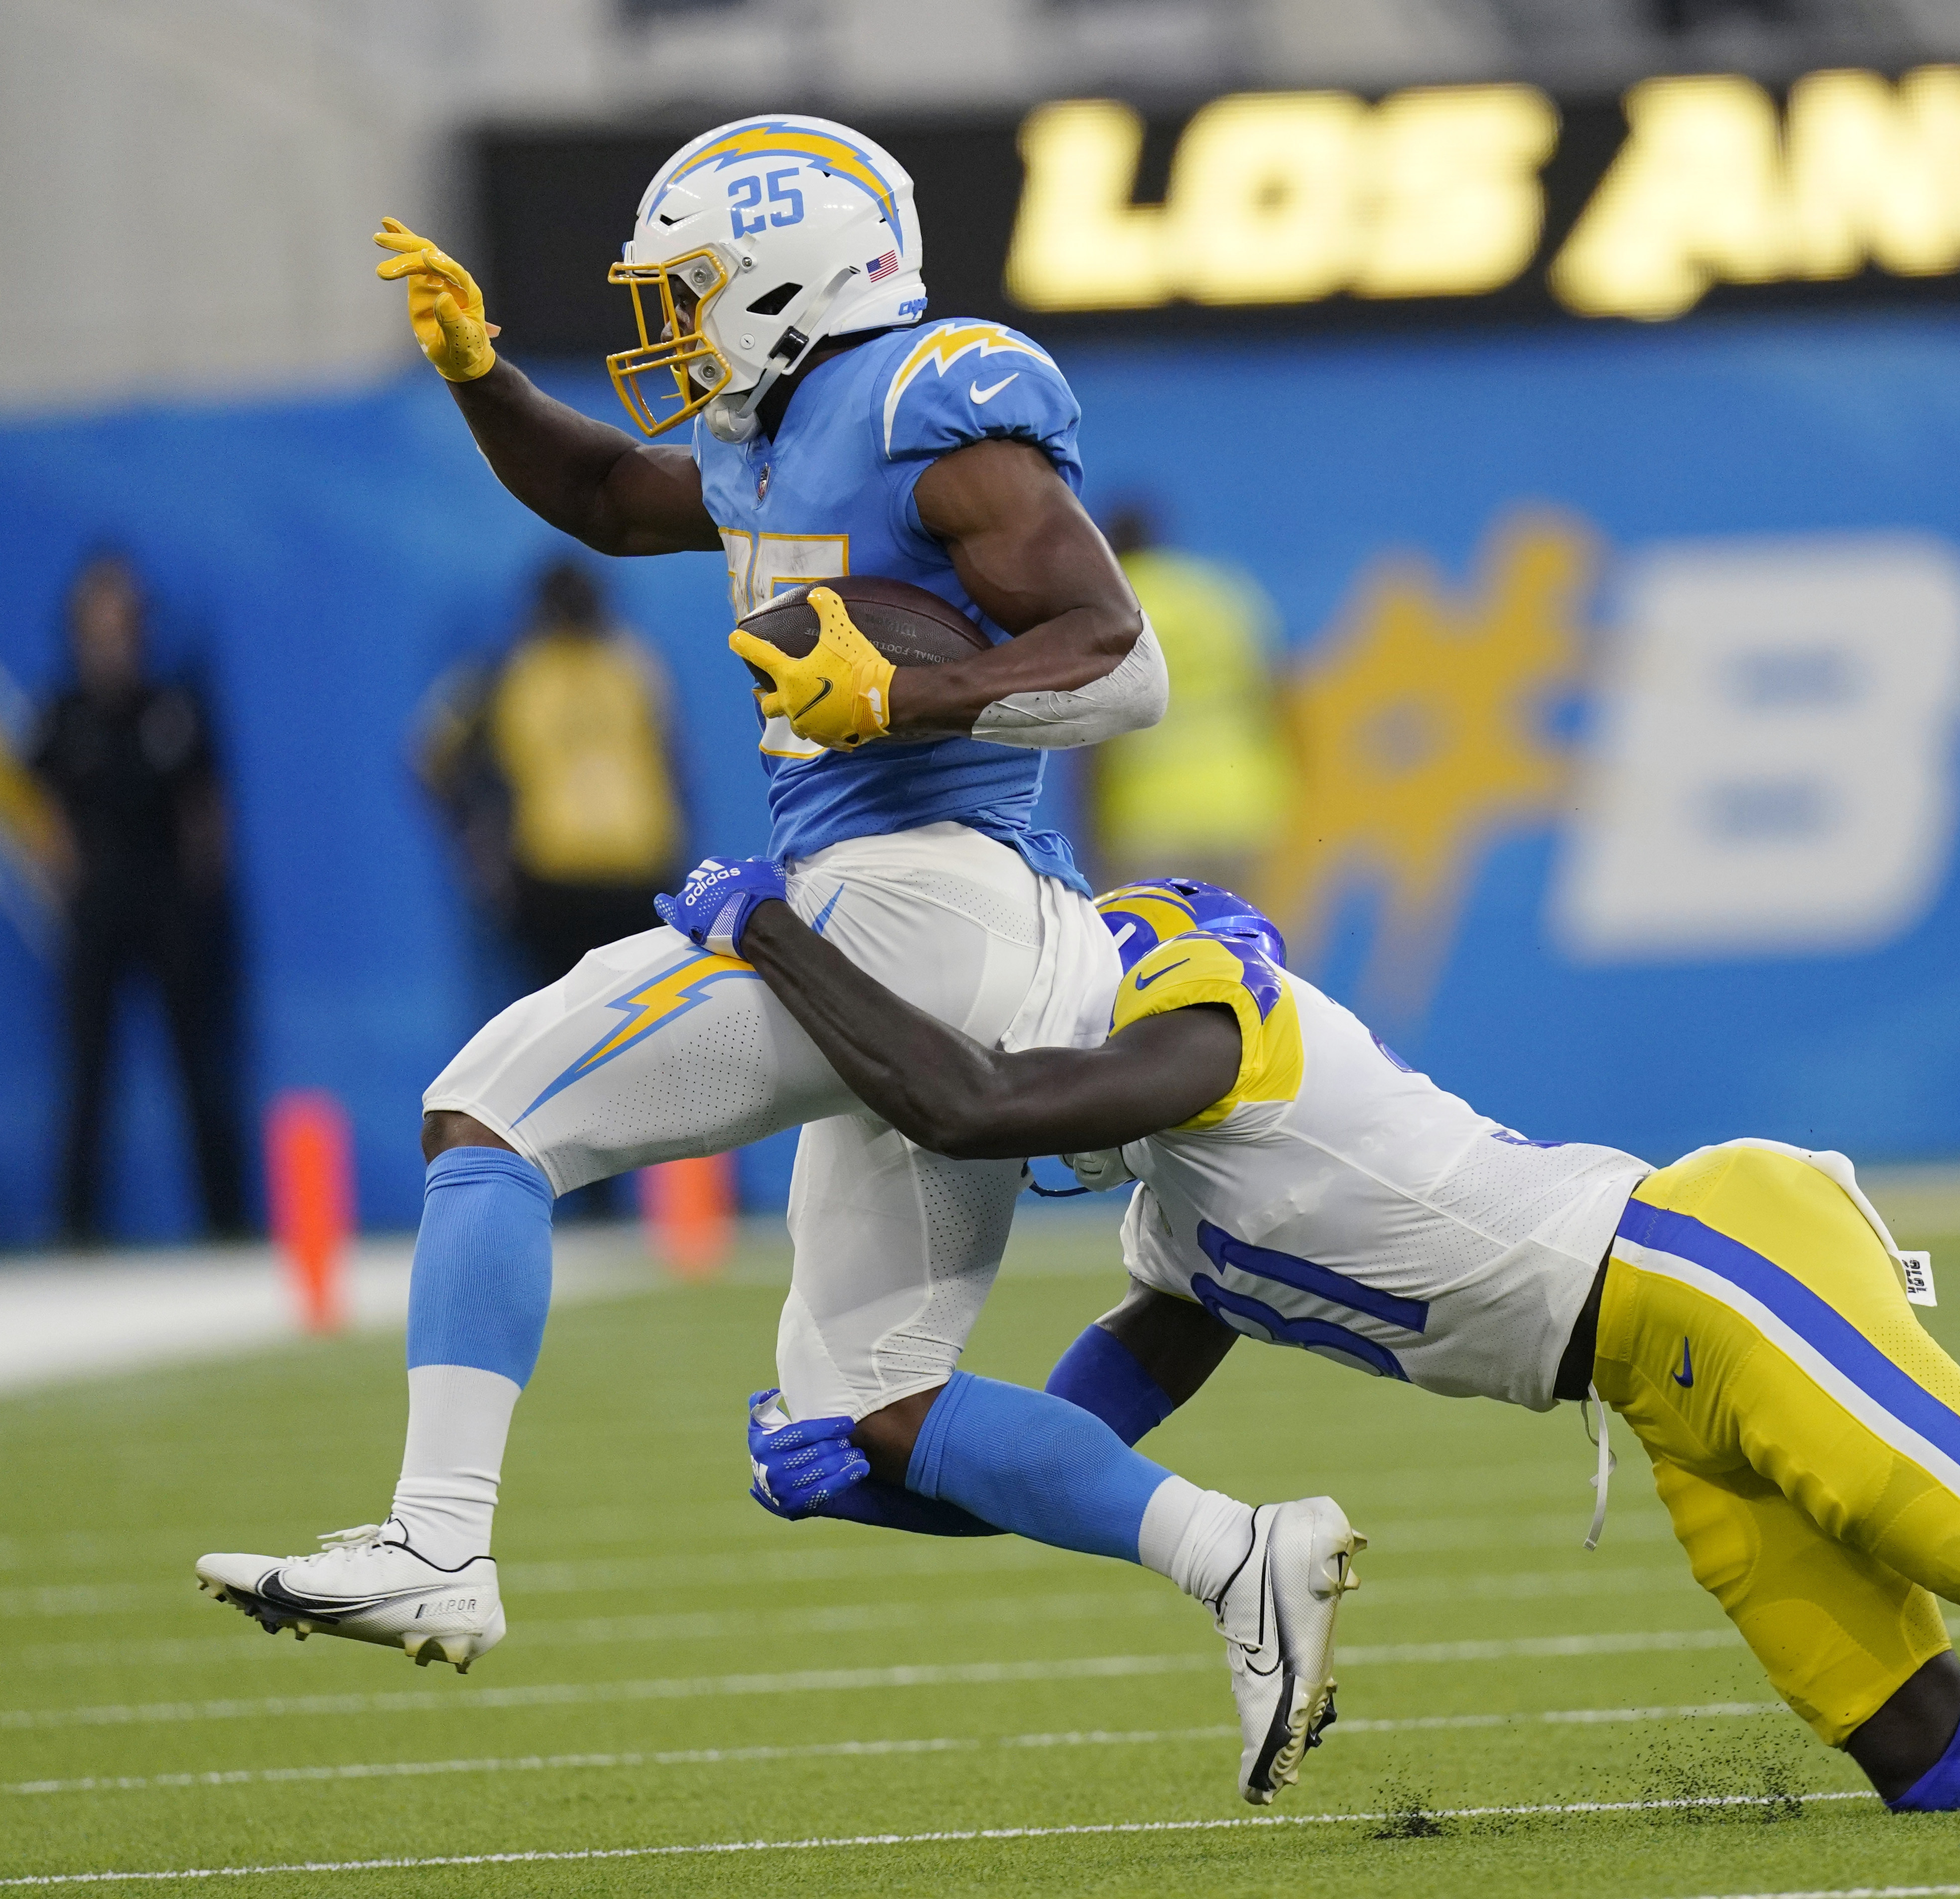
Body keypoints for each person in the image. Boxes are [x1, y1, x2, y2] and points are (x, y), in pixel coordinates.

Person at [192, 120, 1363, 1801]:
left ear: (795, 269)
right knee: (863, 1409)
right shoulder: (779, 429)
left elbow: (1124, 667)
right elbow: (604, 494)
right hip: (930, 917)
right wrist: (476, 374)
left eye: (692, 291)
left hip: (910, 897)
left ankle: (442, 1537)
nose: (673, 329)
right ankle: (1237, 1556)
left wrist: (906, 692)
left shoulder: (921, 400)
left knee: (492, 1105)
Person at [691, 862, 1960, 1812]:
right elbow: (1061, 1463)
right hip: (1648, 1375)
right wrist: (862, 1462)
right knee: (1933, 1748)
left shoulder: (1219, 1022)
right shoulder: (1171, 1223)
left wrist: (773, 936)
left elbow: (963, 1102)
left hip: (1703, 1268)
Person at [29, 554, 248, 1242]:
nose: (114, 633)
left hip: (170, 907)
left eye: (125, 618)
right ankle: (77, 1230)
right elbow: (40, 810)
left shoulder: (172, 708)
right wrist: (64, 880)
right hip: (97, 907)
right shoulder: (61, 716)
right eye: (101, 619)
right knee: (89, 1073)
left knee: (198, 1065)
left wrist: (201, 894)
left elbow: (206, 810)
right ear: (78, 628)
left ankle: (226, 1224)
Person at [415, 559, 688, 994]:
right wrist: (481, 845)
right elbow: (433, 760)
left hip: (587, 872)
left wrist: (476, 844)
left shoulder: (517, 667)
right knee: (615, 1018)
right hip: (602, 871)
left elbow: (431, 757)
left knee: (579, 1017)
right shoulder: (632, 665)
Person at [1087, 503, 1295, 892]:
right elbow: (1278, 696)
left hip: (1146, 820)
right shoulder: (1219, 594)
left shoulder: (1113, 607)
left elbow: (1092, 731)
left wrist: (1089, 830)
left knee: (1147, 951)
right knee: (1239, 948)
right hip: (1241, 814)